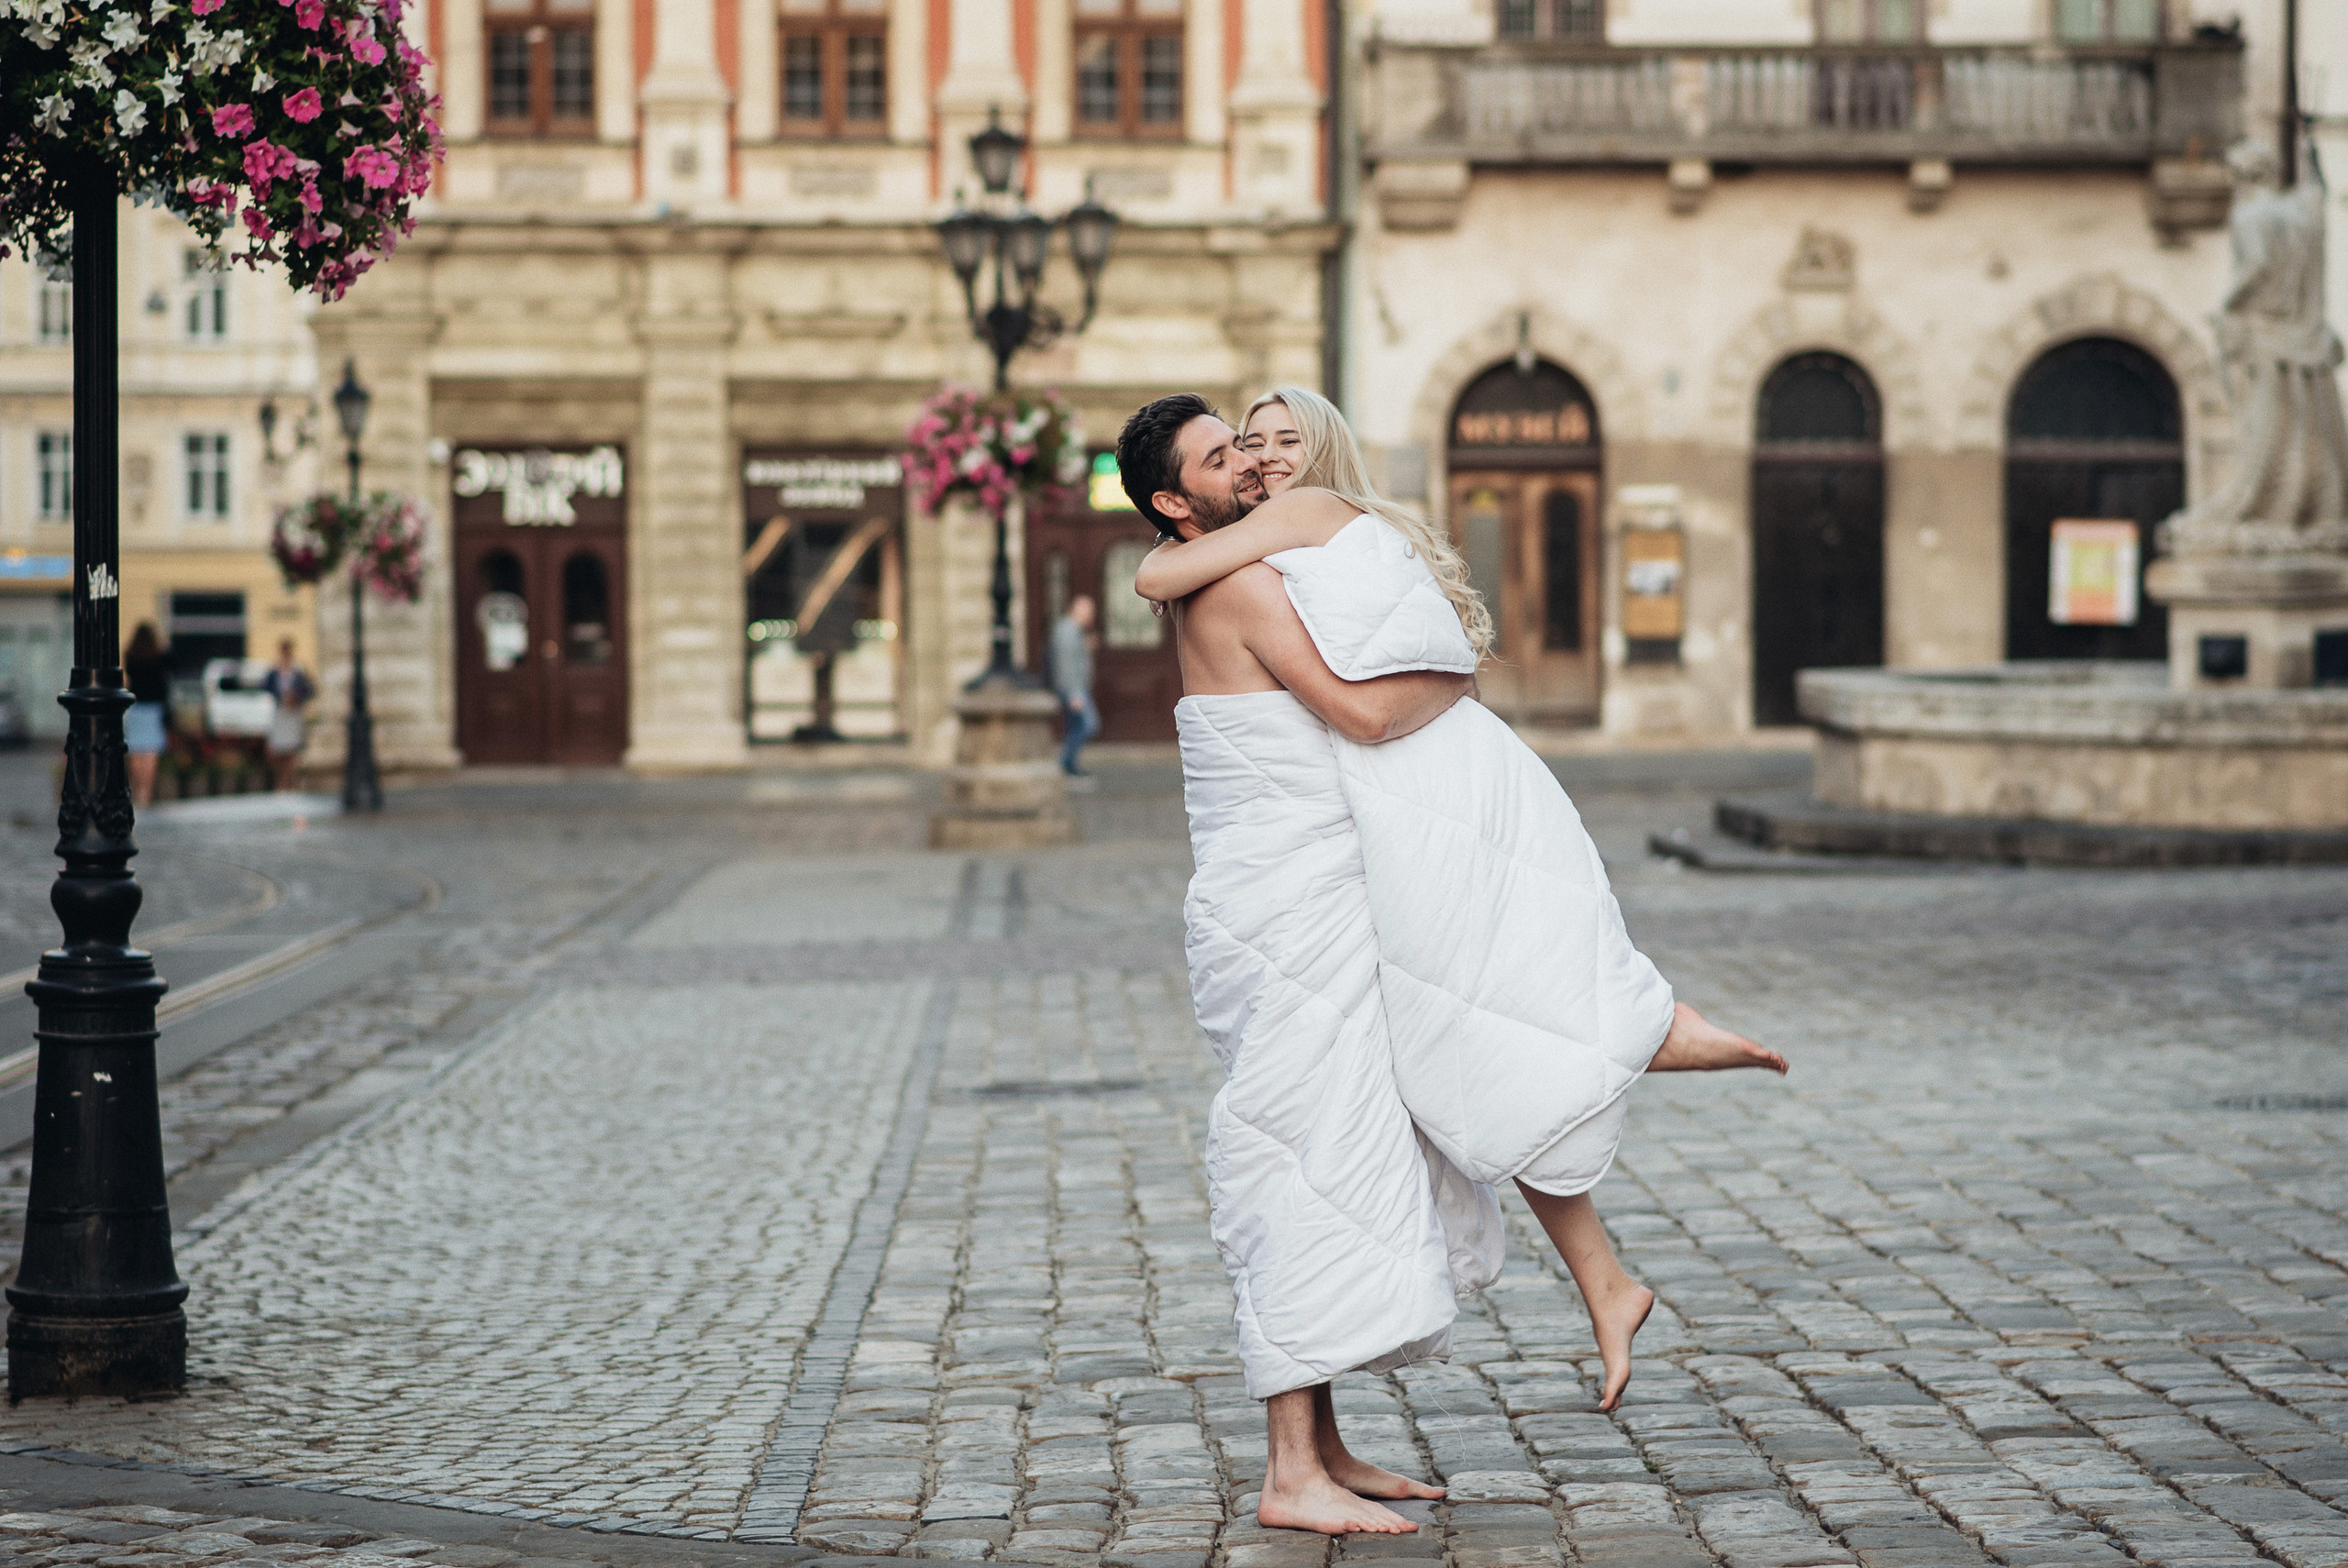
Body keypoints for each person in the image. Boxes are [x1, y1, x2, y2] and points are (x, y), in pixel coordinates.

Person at [1116, 390, 1785, 1539]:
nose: (1248, 468)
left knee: (1379, 1101)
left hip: (1296, 892)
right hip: (1285, 907)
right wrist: (1454, 682)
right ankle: (1290, 1472)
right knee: (1300, 1154)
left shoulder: (1230, 561)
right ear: (1179, 501)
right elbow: (1360, 718)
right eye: (1225, 459)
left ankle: (1325, 1444)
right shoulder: (1235, 577)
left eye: (1251, 445)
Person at [1050, 595, 1100, 777]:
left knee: (1075, 726)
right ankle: (1065, 761)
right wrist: (1074, 694)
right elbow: (1066, 665)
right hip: (1075, 690)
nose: (1091, 615)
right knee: (1088, 724)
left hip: (1077, 688)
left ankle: (1070, 764)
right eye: (1088, 611)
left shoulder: (1074, 631)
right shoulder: (1068, 631)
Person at [123, 623, 170, 808]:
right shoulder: (158, 656)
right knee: (151, 750)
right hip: (153, 706)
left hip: (135, 705)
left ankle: (137, 789)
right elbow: (172, 666)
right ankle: (146, 792)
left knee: (135, 749)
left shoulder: (131, 655)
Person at [260, 639, 315, 792]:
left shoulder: (298, 670)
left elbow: (309, 690)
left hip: (294, 713)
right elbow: (266, 687)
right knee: (277, 750)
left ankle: (288, 783)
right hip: (280, 712)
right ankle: (282, 781)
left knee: (293, 750)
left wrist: (296, 698)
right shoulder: (275, 670)